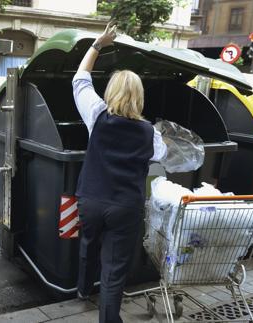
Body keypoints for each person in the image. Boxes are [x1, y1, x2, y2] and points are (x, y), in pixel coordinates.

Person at [72, 22, 167, 323]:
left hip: (91, 200)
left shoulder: (97, 114)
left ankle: (83, 289)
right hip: (125, 206)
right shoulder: (149, 133)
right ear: (139, 96)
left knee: (88, 243)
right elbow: (162, 156)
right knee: (113, 273)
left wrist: (97, 45)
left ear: (110, 91)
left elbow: (80, 79)